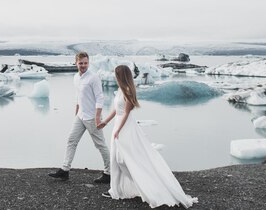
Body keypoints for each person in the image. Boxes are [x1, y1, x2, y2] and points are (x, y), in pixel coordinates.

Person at [98, 65, 197, 208]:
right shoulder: (120, 90)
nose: (114, 77)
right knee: (116, 159)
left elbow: (126, 113)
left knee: (124, 159)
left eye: (116, 75)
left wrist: (118, 129)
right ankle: (117, 190)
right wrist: (105, 122)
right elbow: (116, 109)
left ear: (121, 76)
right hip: (118, 126)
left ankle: (144, 185)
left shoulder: (128, 91)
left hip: (125, 127)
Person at [48, 51, 110, 183]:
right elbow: (78, 96)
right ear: (76, 63)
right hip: (80, 116)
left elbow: (100, 98)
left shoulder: (93, 78)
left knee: (100, 145)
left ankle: (108, 173)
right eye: (81, 63)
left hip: (92, 118)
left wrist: (98, 117)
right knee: (71, 140)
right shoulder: (76, 77)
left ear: (89, 63)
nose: (83, 65)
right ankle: (65, 170)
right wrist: (76, 112)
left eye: (85, 63)